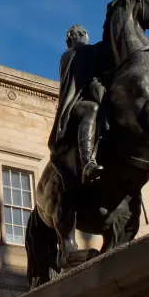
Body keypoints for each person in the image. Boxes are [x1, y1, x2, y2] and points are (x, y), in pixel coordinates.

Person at [49, 25, 106, 184]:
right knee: (91, 109)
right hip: (73, 107)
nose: (82, 36)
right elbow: (86, 77)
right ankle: (87, 161)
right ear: (70, 39)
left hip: (93, 98)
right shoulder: (71, 54)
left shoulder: (90, 52)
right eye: (77, 34)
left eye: (84, 33)